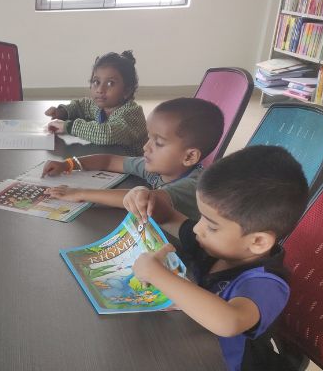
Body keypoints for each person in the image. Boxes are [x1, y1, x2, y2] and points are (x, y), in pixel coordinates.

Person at [124, 145, 309, 371]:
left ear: (258, 242)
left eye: (211, 226)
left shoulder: (266, 283)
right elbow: (169, 216)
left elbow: (229, 322)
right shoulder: (215, 245)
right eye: (201, 217)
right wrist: (143, 197)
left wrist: (156, 274)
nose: (197, 229)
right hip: (185, 342)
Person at [42, 97, 223, 220]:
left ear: (189, 156)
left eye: (158, 143)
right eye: (149, 138)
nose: (146, 147)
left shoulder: (194, 186)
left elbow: (144, 199)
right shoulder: (161, 168)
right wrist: (69, 164)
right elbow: (110, 160)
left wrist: (79, 193)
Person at [44, 50, 147, 155]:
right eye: (96, 82)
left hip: (131, 163)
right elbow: (81, 105)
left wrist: (68, 126)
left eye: (110, 83)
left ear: (127, 91)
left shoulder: (132, 114)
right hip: (109, 158)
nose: (100, 89)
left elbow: (106, 135)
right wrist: (62, 112)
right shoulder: (100, 106)